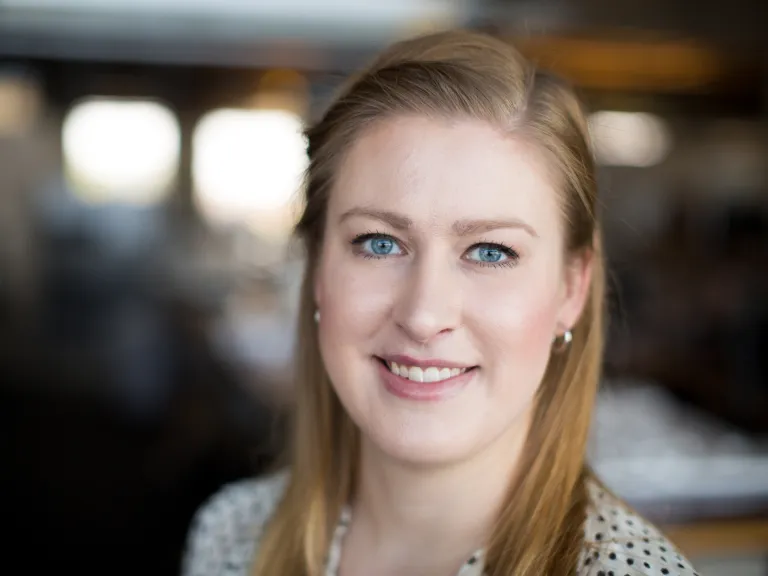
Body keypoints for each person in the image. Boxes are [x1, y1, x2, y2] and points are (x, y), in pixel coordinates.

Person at [182, 30, 699, 576]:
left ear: (571, 289)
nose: (425, 316)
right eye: (379, 243)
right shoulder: (232, 533)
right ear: (315, 271)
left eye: (491, 252)